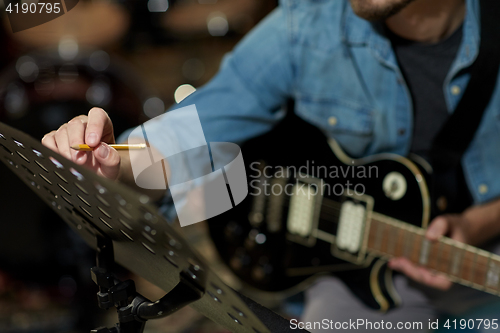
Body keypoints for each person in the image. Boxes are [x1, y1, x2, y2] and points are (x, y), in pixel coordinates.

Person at [42, 0, 500, 331]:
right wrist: (110, 164)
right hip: (360, 278)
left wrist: (480, 222)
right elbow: (190, 134)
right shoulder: (308, 24)